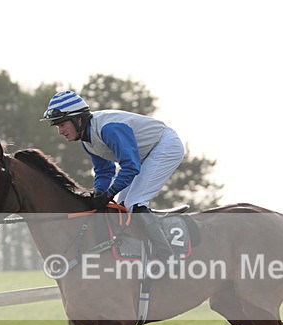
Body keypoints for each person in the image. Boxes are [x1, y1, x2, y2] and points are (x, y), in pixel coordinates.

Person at [41, 90, 185, 260]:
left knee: (134, 202)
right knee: (122, 205)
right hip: (145, 155)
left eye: (62, 124)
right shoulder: (87, 139)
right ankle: (141, 253)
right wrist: (99, 192)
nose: (60, 131)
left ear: (78, 119)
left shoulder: (109, 129)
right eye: (57, 126)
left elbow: (130, 167)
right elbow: (105, 170)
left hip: (165, 146)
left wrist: (109, 194)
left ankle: (168, 256)